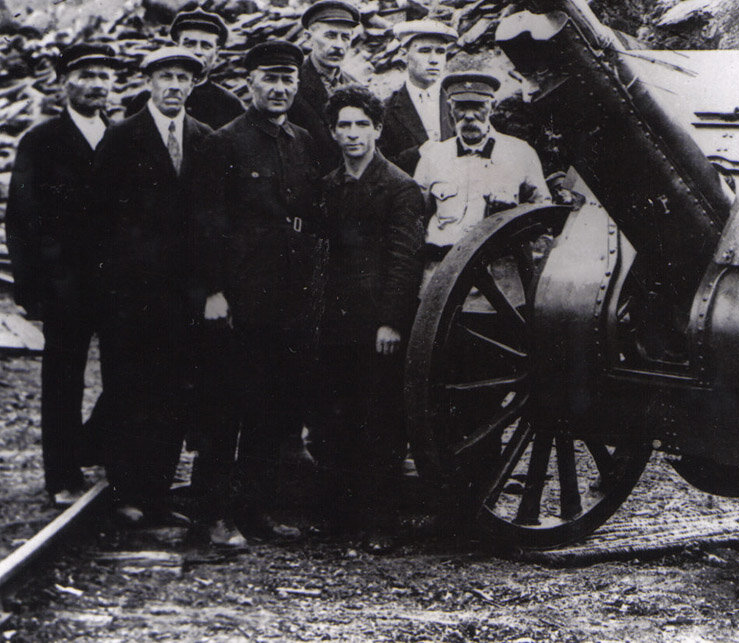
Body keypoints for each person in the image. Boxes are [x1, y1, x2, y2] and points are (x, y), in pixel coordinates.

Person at [191, 41, 325, 546]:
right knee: (227, 408)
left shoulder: (302, 141)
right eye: (269, 78)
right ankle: (213, 515)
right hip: (240, 298)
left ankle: (255, 510)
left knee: (272, 409)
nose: (280, 87)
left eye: (288, 78)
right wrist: (213, 291)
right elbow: (204, 225)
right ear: (249, 83)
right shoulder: (223, 142)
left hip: (287, 299)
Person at [93, 46, 211, 525]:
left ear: (193, 85)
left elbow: (211, 220)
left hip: (184, 298)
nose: (174, 87)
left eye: (183, 78)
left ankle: (158, 493)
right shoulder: (122, 138)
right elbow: (96, 222)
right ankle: (126, 493)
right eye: (165, 77)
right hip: (130, 297)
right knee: (129, 389)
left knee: (174, 394)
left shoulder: (204, 138)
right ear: (148, 82)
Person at [5, 42, 120, 505]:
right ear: (62, 82)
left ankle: (112, 457)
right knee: (63, 378)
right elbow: (22, 217)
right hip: (64, 284)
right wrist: (33, 289)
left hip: (116, 285)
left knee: (123, 375)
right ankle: (62, 475)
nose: (96, 84)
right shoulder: (42, 140)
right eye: (85, 74)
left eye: (104, 76)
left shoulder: (121, 137)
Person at [317, 85, 425, 552]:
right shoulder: (329, 185)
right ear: (333, 132)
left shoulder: (400, 187)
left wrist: (391, 322)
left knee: (381, 420)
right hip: (336, 321)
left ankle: (383, 522)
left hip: (378, 324)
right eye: (344, 125)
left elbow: (406, 260)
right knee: (336, 418)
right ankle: (342, 517)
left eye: (362, 124)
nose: (353, 134)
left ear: (378, 130)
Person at [414, 72, 550, 262]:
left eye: (478, 106)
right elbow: (415, 218)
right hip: (444, 275)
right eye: (461, 107)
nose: (469, 116)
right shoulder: (432, 157)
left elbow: (543, 212)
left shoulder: (520, 153)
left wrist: (513, 218)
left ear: (492, 107)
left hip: (500, 276)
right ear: (450, 109)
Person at [122, 7, 244, 129]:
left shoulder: (229, 105)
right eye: (189, 44)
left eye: (206, 46)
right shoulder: (144, 100)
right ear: (176, 47)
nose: (197, 51)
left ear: (216, 54)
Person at [289, 0, 359, 172]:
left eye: (345, 37)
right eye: (330, 36)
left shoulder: (355, 87)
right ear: (307, 38)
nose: (338, 45)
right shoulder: (291, 84)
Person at [379, 19, 457, 174]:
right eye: (425, 51)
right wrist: (418, 154)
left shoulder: (457, 103)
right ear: (404, 55)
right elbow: (378, 165)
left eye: (440, 52)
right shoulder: (385, 109)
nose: (434, 60)